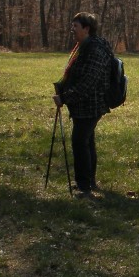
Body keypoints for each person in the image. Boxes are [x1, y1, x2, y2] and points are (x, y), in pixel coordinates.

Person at [53, 12, 114, 196]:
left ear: (87, 29)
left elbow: (88, 82)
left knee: (80, 142)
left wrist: (65, 98)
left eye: (76, 26)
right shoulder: (84, 47)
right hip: (84, 105)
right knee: (87, 142)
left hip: (91, 105)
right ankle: (88, 182)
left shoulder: (95, 50)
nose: (72, 30)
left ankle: (84, 186)